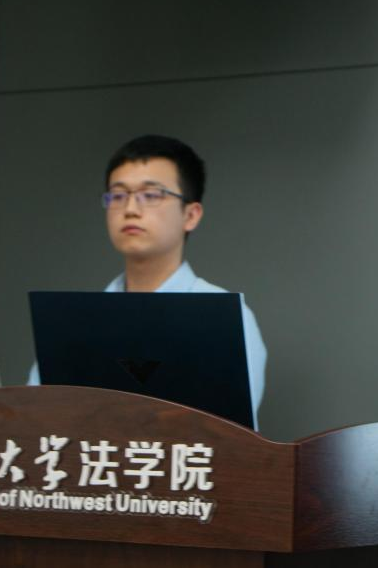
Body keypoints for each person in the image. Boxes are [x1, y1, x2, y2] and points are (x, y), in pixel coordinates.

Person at [29, 135, 267, 420]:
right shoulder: (73, 322)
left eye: (151, 195)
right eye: (118, 195)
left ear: (191, 215)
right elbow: (36, 421)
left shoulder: (225, 317)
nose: (130, 209)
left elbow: (233, 434)